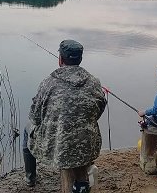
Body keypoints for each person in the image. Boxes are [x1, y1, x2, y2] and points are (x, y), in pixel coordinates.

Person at [23, 39, 107, 193]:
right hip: (88, 144)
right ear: (80, 59)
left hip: (58, 146)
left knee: (27, 130)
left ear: (60, 59)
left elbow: (35, 117)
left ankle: (30, 178)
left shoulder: (47, 83)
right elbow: (98, 111)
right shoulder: (95, 82)